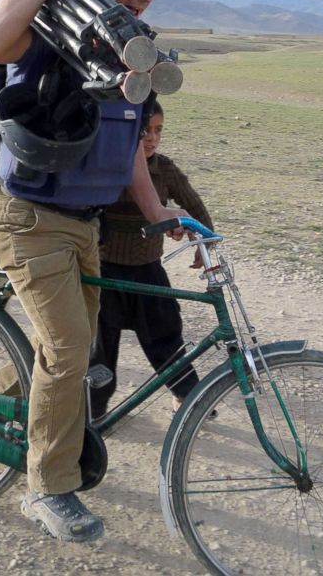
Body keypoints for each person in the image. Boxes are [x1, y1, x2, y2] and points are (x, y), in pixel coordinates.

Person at [0, 0, 186, 543]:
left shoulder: (129, 48)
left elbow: (134, 149)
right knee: (69, 351)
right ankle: (49, 488)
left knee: (66, 347)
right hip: (28, 220)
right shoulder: (54, 30)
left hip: (83, 227)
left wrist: (155, 210)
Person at [88, 101, 214, 420]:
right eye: (144, 130)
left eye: (158, 130)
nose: (151, 138)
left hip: (148, 271)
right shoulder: (111, 165)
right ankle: (95, 409)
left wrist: (203, 243)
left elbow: (194, 207)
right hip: (105, 272)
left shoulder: (164, 169)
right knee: (101, 347)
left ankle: (185, 395)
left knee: (166, 334)